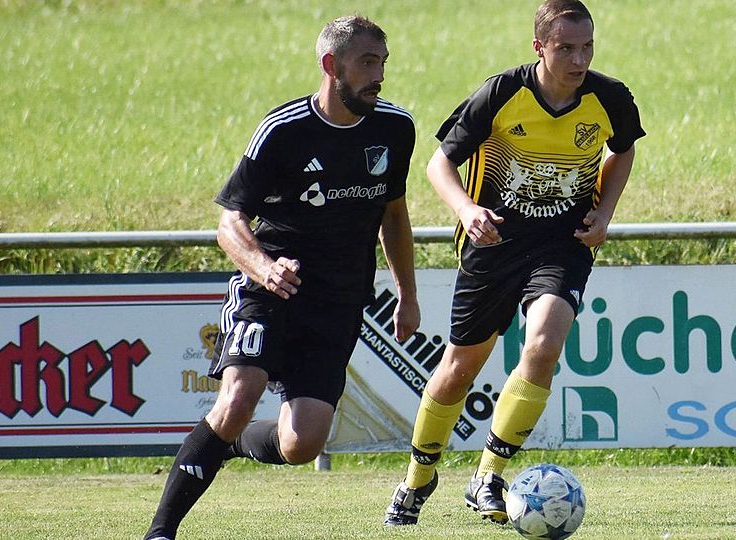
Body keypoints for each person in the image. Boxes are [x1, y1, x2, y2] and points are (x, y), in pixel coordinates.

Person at [144, 15, 419, 540]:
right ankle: (161, 531)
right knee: (238, 395)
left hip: (338, 303)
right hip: (269, 291)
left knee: (303, 445)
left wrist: (406, 292)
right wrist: (266, 268)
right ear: (330, 65)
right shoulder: (284, 130)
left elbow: (394, 216)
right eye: (367, 62)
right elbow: (229, 223)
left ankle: (230, 441)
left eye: (382, 62)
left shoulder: (395, 128)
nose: (378, 75)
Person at [384, 0, 644, 527]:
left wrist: (605, 211)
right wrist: (466, 210)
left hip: (562, 244)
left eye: (587, 46)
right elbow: (440, 163)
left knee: (545, 343)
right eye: (565, 47)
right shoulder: (502, 93)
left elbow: (622, 150)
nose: (578, 59)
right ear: (539, 47)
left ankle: (490, 474)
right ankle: (418, 477)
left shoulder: (610, 97)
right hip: (494, 244)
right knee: (458, 370)